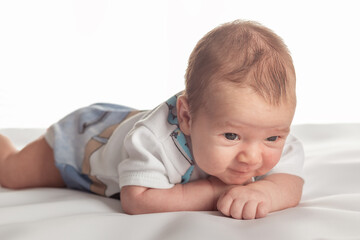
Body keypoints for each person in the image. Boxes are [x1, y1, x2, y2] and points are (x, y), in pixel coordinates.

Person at [0, 20, 304, 220]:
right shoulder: (153, 142)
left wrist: (264, 192)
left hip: (122, 125)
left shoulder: (266, 133)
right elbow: (138, 200)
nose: (252, 156)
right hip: (81, 145)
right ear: (186, 117)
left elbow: (291, 183)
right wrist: (214, 192)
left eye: (273, 138)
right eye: (231, 136)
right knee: (11, 173)